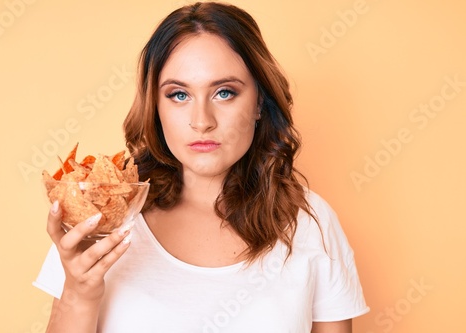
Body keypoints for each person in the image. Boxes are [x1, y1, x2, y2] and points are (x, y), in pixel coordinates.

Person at [34, 2, 369, 332]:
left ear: (259, 103)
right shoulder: (101, 217)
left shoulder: (313, 225)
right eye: (179, 95)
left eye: (224, 92)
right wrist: (79, 295)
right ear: (156, 108)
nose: (201, 121)